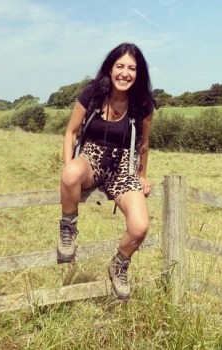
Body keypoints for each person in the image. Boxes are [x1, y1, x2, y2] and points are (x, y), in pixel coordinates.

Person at [57, 43, 156, 301]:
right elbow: (71, 132)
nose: (125, 73)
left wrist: (142, 174)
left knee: (140, 226)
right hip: (91, 157)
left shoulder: (142, 104)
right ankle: (68, 227)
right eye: (120, 66)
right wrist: (69, 165)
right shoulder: (92, 93)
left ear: (139, 73)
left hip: (124, 167)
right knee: (70, 174)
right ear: (110, 69)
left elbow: (143, 144)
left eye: (131, 68)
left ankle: (119, 264)